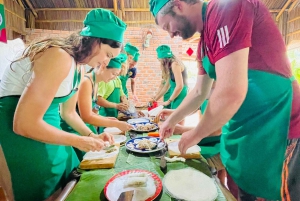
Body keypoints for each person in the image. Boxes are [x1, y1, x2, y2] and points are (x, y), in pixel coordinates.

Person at [150, 0, 300, 200]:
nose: (170, 34)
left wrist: (196, 134)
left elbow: (231, 92)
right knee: (245, 191)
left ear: (178, 5)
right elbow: (198, 93)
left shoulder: (227, 7)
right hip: (246, 132)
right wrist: (172, 120)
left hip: (278, 127)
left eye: (168, 26)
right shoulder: (203, 45)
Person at [0, 8, 126, 201]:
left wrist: (92, 135)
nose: (105, 62)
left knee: (67, 181)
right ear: (94, 41)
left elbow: (69, 113)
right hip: (20, 133)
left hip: (48, 127)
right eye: (108, 54)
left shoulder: (79, 68)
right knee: (42, 189)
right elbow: (23, 123)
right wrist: (78, 141)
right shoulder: (58, 56)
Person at [71, 54, 132, 160]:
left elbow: (93, 112)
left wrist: (106, 119)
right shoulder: (86, 81)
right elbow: (86, 116)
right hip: (76, 130)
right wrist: (116, 123)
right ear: (103, 67)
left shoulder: (96, 82)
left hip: (86, 129)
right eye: (113, 73)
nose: (114, 77)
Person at [96, 53, 131, 132]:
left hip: (112, 116)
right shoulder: (104, 81)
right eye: (114, 73)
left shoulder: (117, 79)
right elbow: (98, 100)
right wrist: (116, 105)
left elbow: (122, 95)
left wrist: (125, 103)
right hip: (104, 115)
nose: (115, 76)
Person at [150, 45, 188, 109]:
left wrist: (168, 101)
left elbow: (179, 86)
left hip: (180, 94)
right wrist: (155, 99)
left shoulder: (175, 64)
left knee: (177, 116)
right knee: (171, 115)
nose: (160, 62)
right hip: (174, 92)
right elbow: (166, 87)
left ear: (164, 59)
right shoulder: (170, 67)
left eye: (160, 60)